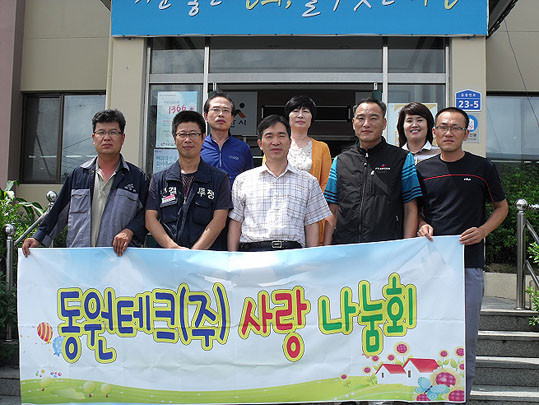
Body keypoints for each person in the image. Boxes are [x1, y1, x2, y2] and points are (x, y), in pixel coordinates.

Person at [416, 107, 508, 401]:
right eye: (443, 127)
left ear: (466, 133)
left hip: (469, 265)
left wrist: (483, 231)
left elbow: (501, 207)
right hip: (431, 267)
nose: (449, 132)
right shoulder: (422, 170)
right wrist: (421, 224)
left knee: (465, 336)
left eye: (456, 127)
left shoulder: (483, 167)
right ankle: (428, 394)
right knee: (429, 332)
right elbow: (416, 211)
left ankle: (460, 396)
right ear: (434, 133)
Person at [22, 109, 149, 257]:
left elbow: (148, 216)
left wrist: (130, 231)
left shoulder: (137, 178)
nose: (106, 138)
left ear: (123, 138)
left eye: (113, 132)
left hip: (118, 260)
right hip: (79, 260)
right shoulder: (78, 175)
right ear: (93, 138)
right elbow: (58, 212)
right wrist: (38, 238)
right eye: (101, 132)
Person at [324, 98, 422, 245]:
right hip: (346, 247)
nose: (366, 124)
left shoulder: (402, 158)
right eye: (361, 118)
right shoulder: (340, 161)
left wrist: (406, 247)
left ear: (384, 123)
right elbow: (333, 210)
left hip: (387, 247)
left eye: (373, 118)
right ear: (353, 123)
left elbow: (410, 208)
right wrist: (326, 249)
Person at [228, 114, 332, 252]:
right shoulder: (243, 180)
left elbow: (312, 225)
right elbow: (236, 223)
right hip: (252, 255)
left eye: (281, 136)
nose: (275, 142)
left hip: (293, 255)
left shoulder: (308, 182)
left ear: (289, 142)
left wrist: (311, 259)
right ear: (260, 144)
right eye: (269, 136)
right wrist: (233, 258)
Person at [146, 110, 232, 250]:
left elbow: (219, 221)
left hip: (205, 257)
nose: (187, 140)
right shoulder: (159, 179)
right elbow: (150, 219)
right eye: (182, 134)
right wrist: (172, 248)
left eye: (193, 134)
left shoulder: (219, 179)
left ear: (203, 137)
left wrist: (193, 253)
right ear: (174, 139)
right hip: (168, 257)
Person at [201, 92, 254, 186]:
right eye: (216, 109)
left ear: (232, 118)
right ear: (206, 116)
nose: (221, 114)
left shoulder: (243, 148)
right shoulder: (198, 146)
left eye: (225, 110)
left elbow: (249, 180)